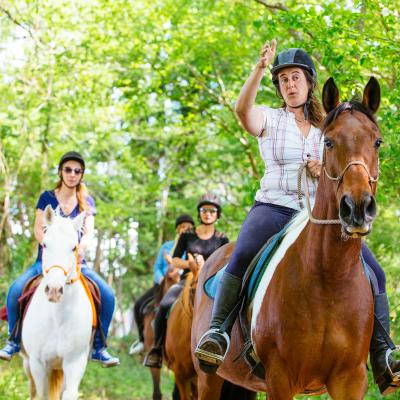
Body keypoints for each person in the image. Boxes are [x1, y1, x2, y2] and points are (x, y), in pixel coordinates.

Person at [194, 40, 400, 394]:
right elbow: (243, 112)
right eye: (284, 79)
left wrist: (325, 167)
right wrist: (258, 70)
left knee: (374, 271)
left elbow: (347, 156)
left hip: (317, 215)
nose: (290, 84)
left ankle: (383, 353)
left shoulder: (328, 125)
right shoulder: (270, 119)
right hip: (273, 207)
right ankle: (218, 334)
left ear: (309, 83)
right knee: (241, 256)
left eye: (296, 78)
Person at [0, 151, 120, 367]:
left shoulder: (87, 202)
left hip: (76, 264)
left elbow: (89, 233)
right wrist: (50, 244)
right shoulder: (46, 197)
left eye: (77, 171)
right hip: (46, 262)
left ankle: (99, 347)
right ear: (60, 172)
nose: (72, 174)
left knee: (109, 295)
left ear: (81, 175)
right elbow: (39, 229)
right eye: (68, 169)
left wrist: (81, 248)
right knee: (16, 289)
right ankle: (13, 341)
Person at [143, 192, 229, 368]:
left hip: (211, 283)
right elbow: (174, 260)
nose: (208, 213)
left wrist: (206, 265)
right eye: (204, 210)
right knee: (165, 305)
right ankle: (157, 349)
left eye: (212, 210)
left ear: (217, 214)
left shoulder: (222, 239)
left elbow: (224, 265)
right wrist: (189, 264)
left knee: (229, 307)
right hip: (187, 281)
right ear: (199, 212)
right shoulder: (188, 235)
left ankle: (229, 351)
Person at [129, 214, 195, 355]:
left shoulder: (192, 248)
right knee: (139, 305)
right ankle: (142, 340)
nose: (186, 230)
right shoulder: (167, 246)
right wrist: (162, 280)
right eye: (183, 227)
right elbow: (157, 267)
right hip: (162, 284)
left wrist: (178, 272)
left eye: (189, 228)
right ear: (178, 229)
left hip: (182, 284)